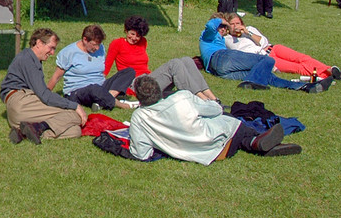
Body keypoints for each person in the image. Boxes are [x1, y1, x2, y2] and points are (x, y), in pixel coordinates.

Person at [127, 75, 301, 164]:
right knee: (230, 120)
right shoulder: (182, 98)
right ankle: (255, 141)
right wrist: (215, 105)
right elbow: (214, 110)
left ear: (139, 96)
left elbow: (141, 154)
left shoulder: (139, 118)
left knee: (227, 124)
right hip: (218, 141)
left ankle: (260, 144)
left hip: (192, 153)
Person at [0, 28, 88, 145]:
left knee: (75, 131)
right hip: (21, 102)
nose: (52, 53)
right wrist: (75, 106)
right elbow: (45, 95)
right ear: (39, 43)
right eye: (51, 48)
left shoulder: (30, 59)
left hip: (18, 114)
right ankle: (39, 126)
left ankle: (25, 132)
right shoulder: (27, 59)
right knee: (74, 115)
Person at [103, 15, 220, 102]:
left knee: (187, 60)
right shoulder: (117, 43)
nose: (134, 38)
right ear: (126, 30)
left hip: (148, 78)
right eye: (132, 34)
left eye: (138, 36)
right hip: (135, 84)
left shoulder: (143, 42)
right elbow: (107, 65)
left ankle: (212, 97)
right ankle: (202, 99)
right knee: (175, 64)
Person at [199, 17, 328, 93]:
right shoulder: (209, 36)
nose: (223, 29)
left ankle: (302, 87)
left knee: (267, 75)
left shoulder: (221, 38)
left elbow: (263, 41)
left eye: (224, 27)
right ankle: (252, 81)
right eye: (222, 27)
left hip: (220, 71)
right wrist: (222, 20)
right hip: (220, 58)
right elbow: (210, 26)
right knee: (268, 61)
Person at [220, 12, 341, 81]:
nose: (236, 26)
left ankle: (329, 70)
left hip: (273, 48)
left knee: (303, 58)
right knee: (297, 68)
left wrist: (248, 33)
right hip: (266, 58)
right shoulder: (229, 40)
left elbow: (263, 41)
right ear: (228, 26)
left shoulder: (250, 29)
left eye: (238, 23)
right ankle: (328, 74)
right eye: (232, 24)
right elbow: (247, 51)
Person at [49, 25, 138, 110]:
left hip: (100, 85)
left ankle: (103, 100)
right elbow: (56, 76)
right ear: (85, 40)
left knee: (129, 71)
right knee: (94, 89)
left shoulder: (100, 49)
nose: (97, 47)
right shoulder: (69, 52)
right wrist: (45, 94)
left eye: (99, 44)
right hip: (78, 91)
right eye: (94, 44)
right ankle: (122, 105)